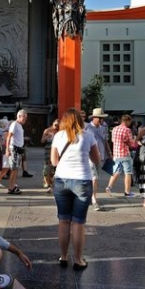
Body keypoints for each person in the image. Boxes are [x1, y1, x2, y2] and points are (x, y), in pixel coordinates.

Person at [51, 108, 101, 271]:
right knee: (78, 223)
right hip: (82, 180)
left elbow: (53, 161)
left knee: (63, 221)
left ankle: (63, 256)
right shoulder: (88, 135)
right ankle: (78, 260)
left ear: (65, 120)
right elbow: (96, 159)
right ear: (79, 120)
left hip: (61, 180)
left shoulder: (58, 136)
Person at [106, 114, 137, 203]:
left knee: (116, 171)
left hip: (116, 154)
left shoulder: (115, 129)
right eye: (130, 122)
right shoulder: (127, 130)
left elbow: (112, 140)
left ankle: (109, 187)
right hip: (125, 154)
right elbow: (131, 144)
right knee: (128, 173)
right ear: (127, 121)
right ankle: (127, 192)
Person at [85, 108, 112, 208]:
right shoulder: (87, 128)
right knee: (94, 178)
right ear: (94, 118)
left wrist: (109, 153)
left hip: (100, 156)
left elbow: (105, 142)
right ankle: (94, 199)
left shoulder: (103, 128)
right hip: (90, 156)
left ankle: (89, 196)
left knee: (93, 178)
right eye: (100, 118)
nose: (102, 120)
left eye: (102, 118)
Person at [5, 110, 28, 194]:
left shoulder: (19, 125)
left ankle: (13, 185)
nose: (25, 119)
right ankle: (11, 187)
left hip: (18, 149)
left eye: (26, 118)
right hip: (14, 149)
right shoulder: (14, 124)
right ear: (19, 116)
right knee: (14, 169)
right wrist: (7, 149)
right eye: (24, 118)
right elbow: (9, 136)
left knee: (16, 169)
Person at [40, 119, 59, 193]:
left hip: (56, 150)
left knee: (54, 167)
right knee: (47, 166)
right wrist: (46, 136)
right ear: (53, 123)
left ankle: (50, 182)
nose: (56, 127)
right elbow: (42, 141)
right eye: (55, 125)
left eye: (58, 125)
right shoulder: (47, 130)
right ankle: (46, 181)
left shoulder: (59, 131)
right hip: (48, 150)